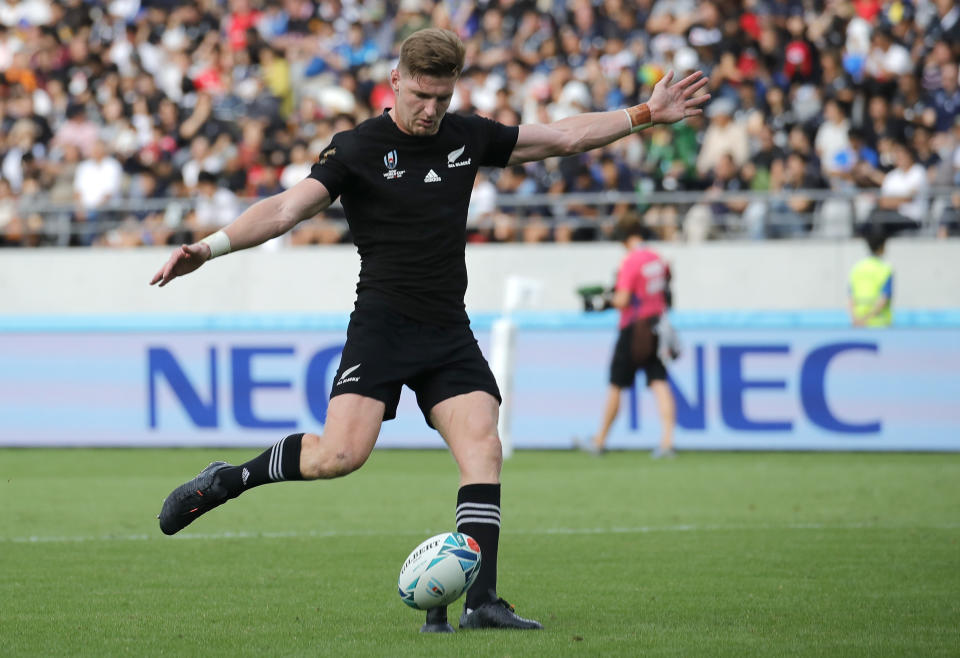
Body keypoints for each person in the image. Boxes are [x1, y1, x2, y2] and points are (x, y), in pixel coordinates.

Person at [150, 28, 709, 634]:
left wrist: (647, 113)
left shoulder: (467, 135)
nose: (430, 109)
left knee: (483, 447)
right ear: (395, 82)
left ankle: (483, 602)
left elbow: (563, 137)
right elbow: (286, 208)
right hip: (382, 328)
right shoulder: (358, 147)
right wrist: (209, 248)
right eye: (420, 95)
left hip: (447, 329)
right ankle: (228, 479)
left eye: (442, 98)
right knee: (339, 456)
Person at [582, 223, 678, 458]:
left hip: (633, 328)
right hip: (657, 325)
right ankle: (667, 441)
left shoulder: (630, 261)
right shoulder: (657, 258)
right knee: (659, 381)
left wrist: (603, 301)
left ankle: (600, 440)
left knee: (617, 384)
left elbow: (623, 300)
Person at [848, 228, 893, 327]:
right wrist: (866, 319)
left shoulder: (857, 268)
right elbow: (884, 299)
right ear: (882, 247)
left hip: (858, 323)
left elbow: (851, 298)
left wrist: (856, 319)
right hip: (880, 323)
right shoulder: (886, 270)